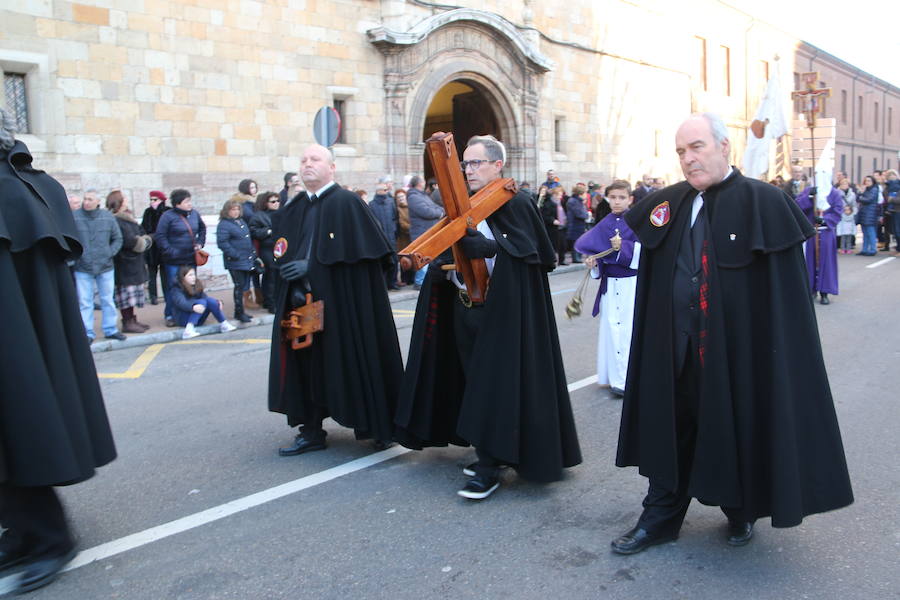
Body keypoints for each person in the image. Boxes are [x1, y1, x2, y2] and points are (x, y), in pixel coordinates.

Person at [611, 113, 852, 555]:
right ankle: (660, 518)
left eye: (697, 147)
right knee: (672, 430)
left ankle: (740, 509)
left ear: (724, 147)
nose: (688, 158)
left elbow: (784, 302)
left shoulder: (765, 202)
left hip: (737, 353)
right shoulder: (669, 204)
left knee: (736, 428)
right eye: (681, 151)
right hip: (675, 350)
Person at [395, 134, 582, 500]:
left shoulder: (516, 202)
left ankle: (489, 465)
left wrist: (493, 248)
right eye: (465, 163)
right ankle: (490, 450)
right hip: (463, 307)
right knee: (471, 383)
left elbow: (537, 258)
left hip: (503, 314)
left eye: (476, 162)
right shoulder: (458, 205)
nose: (468, 169)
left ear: (498, 165)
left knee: (493, 387)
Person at [0, 107, 116, 595]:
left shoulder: (16, 190)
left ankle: (50, 539)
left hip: (18, 348)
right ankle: (21, 532)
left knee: (20, 429)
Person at [267, 144, 402, 455]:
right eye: (303, 160)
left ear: (332, 167)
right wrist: (290, 276)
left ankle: (377, 426)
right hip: (302, 304)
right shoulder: (293, 207)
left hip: (343, 307)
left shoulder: (348, 203)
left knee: (353, 359)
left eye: (315, 159)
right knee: (305, 366)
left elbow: (372, 259)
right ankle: (311, 430)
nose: (307, 164)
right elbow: (282, 251)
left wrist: (312, 267)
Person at [573, 180, 639, 396]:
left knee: (628, 331)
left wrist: (624, 247)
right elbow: (597, 253)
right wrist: (593, 263)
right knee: (612, 329)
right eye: (613, 197)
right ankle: (615, 378)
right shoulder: (605, 223)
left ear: (630, 199)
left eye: (622, 197)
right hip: (610, 285)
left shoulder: (637, 221)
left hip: (631, 286)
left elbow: (646, 251)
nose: (617, 201)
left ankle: (629, 379)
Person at [72, 188, 125, 342]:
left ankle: (110, 329)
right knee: (85, 302)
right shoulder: (74, 217)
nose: (86, 202)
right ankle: (87, 333)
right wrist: (77, 257)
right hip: (82, 266)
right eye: (85, 199)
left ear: (98, 202)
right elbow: (69, 240)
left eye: (90, 199)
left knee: (107, 300)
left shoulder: (107, 217)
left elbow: (118, 239)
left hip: (105, 266)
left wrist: (109, 253)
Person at [153, 188, 206, 327]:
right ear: (177, 203)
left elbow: (202, 229)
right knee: (174, 287)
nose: (190, 204)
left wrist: (200, 243)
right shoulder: (167, 216)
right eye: (186, 201)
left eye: (190, 201)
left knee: (191, 286)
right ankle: (170, 314)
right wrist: (171, 251)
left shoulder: (194, 214)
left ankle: (189, 312)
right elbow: (160, 236)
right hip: (174, 260)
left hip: (191, 258)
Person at [107, 190, 152, 333]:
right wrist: (142, 242)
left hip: (133, 262)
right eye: (124, 198)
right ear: (118, 201)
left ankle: (132, 320)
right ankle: (127, 322)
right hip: (125, 262)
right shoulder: (116, 220)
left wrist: (145, 239)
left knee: (132, 295)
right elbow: (128, 240)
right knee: (126, 295)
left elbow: (141, 232)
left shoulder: (127, 217)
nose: (126, 200)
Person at [795, 183, 842, 304]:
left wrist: (825, 220)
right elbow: (797, 206)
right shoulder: (808, 190)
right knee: (809, 261)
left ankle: (824, 292)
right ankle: (811, 289)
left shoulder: (834, 193)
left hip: (826, 232)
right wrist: (809, 197)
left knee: (826, 262)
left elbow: (838, 211)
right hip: (811, 232)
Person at [216, 198, 257, 323]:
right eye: (233, 209)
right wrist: (235, 255)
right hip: (235, 260)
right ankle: (239, 312)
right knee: (239, 286)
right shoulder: (224, 224)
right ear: (227, 211)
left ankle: (241, 311)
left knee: (244, 286)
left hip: (246, 259)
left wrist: (252, 252)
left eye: (237, 209)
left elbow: (247, 238)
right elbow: (222, 243)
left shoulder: (240, 221)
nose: (236, 212)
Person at [170, 266, 237, 339]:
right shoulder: (176, 288)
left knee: (210, 301)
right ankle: (188, 330)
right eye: (190, 275)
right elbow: (181, 303)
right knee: (201, 302)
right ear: (183, 277)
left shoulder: (196, 285)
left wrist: (218, 302)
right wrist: (192, 307)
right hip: (183, 319)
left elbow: (206, 299)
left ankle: (224, 324)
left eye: (194, 274)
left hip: (198, 318)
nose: (193, 277)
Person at [407, 174, 445, 289]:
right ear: (419, 183)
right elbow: (426, 211)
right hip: (421, 232)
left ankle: (424, 281)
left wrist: (440, 211)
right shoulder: (413, 197)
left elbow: (435, 206)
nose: (425, 183)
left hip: (428, 231)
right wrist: (439, 213)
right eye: (423, 181)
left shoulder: (423, 195)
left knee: (428, 257)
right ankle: (419, 282)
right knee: (422, 258)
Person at [249, 191, 281, 313]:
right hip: (267, 249)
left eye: (278, 201)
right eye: (273, 201)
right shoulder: (259, 216)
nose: (276, 203)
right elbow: (253, 231)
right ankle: (270, 302)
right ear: (266, 203)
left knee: (279, 276)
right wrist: (268, 231)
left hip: (280, 248)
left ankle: (277, 300)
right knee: (270, 276)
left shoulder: (282, 213)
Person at [368, 182, 401, 290]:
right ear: (379, 191)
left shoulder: (391, 202)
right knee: (383, 261)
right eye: (385, 190)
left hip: (391, 236)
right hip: (381, 238)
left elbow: (395, 218)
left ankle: (393, 283)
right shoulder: (372, 204)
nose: (387, 192)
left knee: (394, 260)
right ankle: (383, 285)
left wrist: (395, 231)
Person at [140, 190, 169, 305]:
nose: (152, 202)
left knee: (165, 274)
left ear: (161, 200)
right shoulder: (148, 212)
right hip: (151, 248)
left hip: (164, 247)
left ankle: (167, 295)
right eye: (151, 199)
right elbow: (143, 228)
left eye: (155, 199)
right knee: (151, 274)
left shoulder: (168, 211)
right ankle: (153, 296)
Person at [565, 183, 590, 263]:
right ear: (580, 194)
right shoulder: (574, 201)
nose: (586, 195)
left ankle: (578, 257)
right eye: (585, 193)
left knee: (579, 241)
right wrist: (587, 215)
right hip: (574, 225)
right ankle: (576, 258)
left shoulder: (577, 201)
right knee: (576, 242)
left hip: (578, 225)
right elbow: (579, 214)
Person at [856, 176, 881, 256]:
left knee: (870, 232)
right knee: (865, 232)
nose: (867, 182)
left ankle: (873, 249)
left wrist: (861, 196)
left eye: (869, 180)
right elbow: (857, 198)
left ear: (873, 182)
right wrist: (860, 193)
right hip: (864, 212)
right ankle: (865, 249)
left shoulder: (874, 189)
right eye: (866, 180)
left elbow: (868, 200)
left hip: (871, 213)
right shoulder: (865, 190)